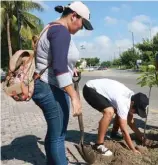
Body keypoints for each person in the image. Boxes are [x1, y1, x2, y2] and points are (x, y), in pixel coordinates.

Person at [31, 2, 93, 165]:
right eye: (82, 24)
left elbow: (55, 60)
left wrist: (70, 69)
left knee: (55, 132)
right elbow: (58, 67)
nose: (81, 28)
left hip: (46, 85)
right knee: (58, 136)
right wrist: (74, 97)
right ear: (74, 16)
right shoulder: (61, 32)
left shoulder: (52, 27)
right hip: (49, 87)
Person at [82, 78, 150, 156]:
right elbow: (124, 130)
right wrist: (133, 149)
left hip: (100, 89)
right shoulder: (123, 103)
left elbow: (130, 122)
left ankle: (114, 133)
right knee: (109, 112)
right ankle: (98, 145)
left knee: (119, 112)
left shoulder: (133, 98)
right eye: (136, 111)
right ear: (132, 103)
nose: (135, 113)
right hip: (90, 89)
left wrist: (141, 137)